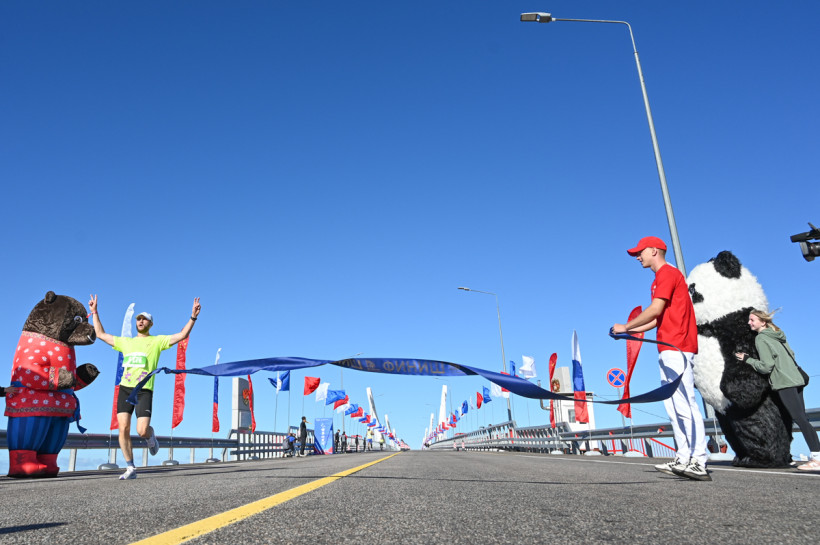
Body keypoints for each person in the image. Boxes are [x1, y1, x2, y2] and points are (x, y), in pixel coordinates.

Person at [612, 236, 710, 481]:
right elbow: (658, 318)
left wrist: (625, 326)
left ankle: (699, 460)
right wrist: (629, 332)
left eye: (640, 252)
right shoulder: (658, 279)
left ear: (654, 251)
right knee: (673, 406)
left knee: (685, 403)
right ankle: (683, 457)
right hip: (667, 347)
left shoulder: (667, 273)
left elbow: (655, 310)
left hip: (678, 346)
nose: (637, 257)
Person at [88, 295, 201, 480]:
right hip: (125, 389)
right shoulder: (126, 342)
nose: (140, 321)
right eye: (138, 319)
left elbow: (182, 336)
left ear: (151, 323)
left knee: (141, 430)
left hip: (144, 390)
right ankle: (130, 467)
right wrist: (94, 312)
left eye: (144, 319)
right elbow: (100, 334)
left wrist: (193, 317)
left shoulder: (157, 341)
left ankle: (150, 436)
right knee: (123, 428)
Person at [735, 309, 820, 471]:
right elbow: (792, 354)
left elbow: (766, 366)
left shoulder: (761, 338)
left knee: (799, 419)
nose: (749, 323)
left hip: (784, 382)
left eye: (752, 320)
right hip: (796, 379)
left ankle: (817, 458)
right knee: (802, 419)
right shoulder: (778, 334)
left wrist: (748, 359)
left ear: (762, 322)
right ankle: (811, 455)